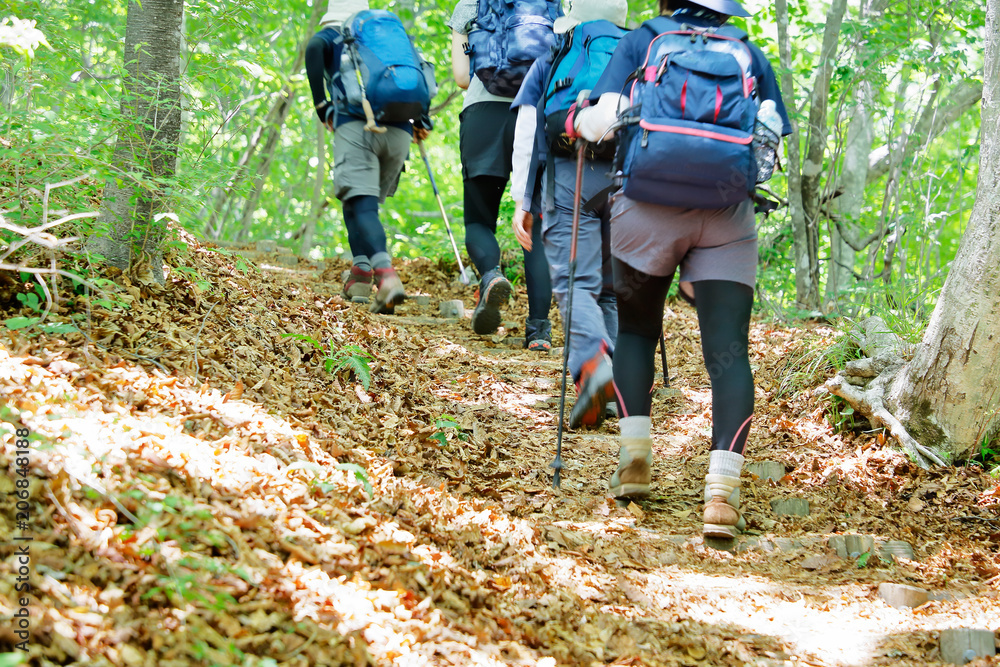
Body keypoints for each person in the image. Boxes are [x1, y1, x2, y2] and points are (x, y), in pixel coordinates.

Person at [572, 0, 792, 537]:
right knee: (728, 354)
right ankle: (721, 493)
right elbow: (772, 135)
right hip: (726, 214)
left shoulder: (643, 39)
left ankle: (635, 459)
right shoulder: (746, 52)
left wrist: (579, 118)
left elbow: (603, 122)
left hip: (644, 210)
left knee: (639, 333)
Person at [509, 0, 628, 428]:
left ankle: (594, 368)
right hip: (626, 180)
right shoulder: (637, 51)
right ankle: (614, 392)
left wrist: (524, 201)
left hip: (570, 173)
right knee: (611, 290)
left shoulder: (556, 53)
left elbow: (528, 130)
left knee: (577, 281)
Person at [305, 0, 431, 314]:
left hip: (359, 127)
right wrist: (422, 119)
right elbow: (420, 70)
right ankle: (360, 274)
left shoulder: (333, 34)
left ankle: (385, 276)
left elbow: (311, 51)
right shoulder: (387, 36)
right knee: (361, 203)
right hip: (400, 132)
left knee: (360, 203)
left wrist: (322, 107)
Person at [448, 0, 554, 350]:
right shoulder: (552, 4)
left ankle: (491, 275)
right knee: (533, 224)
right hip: (534, 111)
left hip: (483, 116)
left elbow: (463, 77)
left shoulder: (471, 5)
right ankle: (539, 331)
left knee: (479, 219)